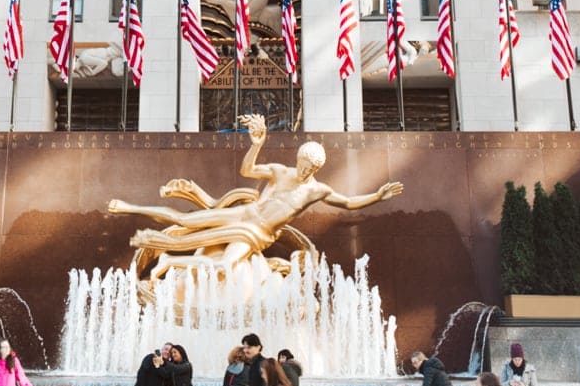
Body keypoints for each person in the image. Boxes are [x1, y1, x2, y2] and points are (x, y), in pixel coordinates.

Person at [109, 113, 403, 279]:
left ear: (317, 168)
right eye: (301, 164)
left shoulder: (317, 190)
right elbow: (248, 169)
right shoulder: (279, 171)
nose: (302, 170)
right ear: (298, 159)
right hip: (243, 215)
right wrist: (256, 144)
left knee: (225, 267)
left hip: (258, 234)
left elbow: (348, 203)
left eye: (309, 167)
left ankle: (170, 263)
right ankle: (127, 207)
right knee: (187, 220)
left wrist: (377, 196)